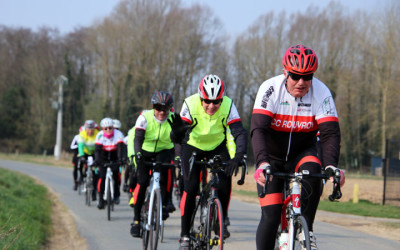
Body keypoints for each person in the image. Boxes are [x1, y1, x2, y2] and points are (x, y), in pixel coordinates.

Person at [251, 44, 345, 250]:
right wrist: (262, 162)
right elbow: (258, 130)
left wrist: (331, 166)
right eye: (295, 76)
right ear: (285, 72)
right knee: (271, 215)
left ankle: (306, 230)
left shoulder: (321, 92)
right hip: (272, 157)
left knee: (314, 171)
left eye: (307, 76)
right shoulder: (270, 89)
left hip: (302, 153)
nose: (301, 82)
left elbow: (330, 133)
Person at [169, 74, 248, 249]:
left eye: (216, 101)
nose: (211, 105)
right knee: (190, 188)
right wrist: (176, 133)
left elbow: (239, 132)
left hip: (216, 146)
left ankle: (220, 220)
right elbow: (177, 137)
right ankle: (185, 235)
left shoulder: (228, 104)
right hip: (193, 146)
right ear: (200, 97)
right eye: (207, 101)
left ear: (222, 99)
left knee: (225, 183)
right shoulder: (190, 103)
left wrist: (239, 156)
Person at [130, 91, 176, 238]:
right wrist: (137, 154)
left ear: (170, 108)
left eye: (166, 108)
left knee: (166, 174)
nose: (162, 112)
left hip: (164, 150)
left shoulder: (174, 119)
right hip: (145, 150)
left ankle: (164, 202)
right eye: (158, 107)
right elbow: (137, 139)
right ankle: (136, 221)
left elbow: (180, 142)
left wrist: (179, 157)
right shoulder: (144, 117)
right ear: (153, 107)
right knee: (142, 183)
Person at [94, 117, 125, 209]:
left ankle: (116, 195)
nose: (108, 130)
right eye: (105, 128)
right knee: (102, 177)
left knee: (116, 174)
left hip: (115, 156)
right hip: (103, 157)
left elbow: (121, 148)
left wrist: (121, 160)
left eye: (110, 128)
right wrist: (97, 161)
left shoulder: (118, 134)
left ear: (113, 127)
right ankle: (100, 199)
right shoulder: (99, 136)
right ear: (102, 129)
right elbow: (97, 151)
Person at [77, 120, 99, 200]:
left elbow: (99, 146)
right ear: (85, 129)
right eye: (88, 130)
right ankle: (82, 177)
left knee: (95, 172)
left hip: (94, 152)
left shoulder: (97, 134)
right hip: (85, 152)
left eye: (92, 130)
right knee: (80, 163)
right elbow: (80, 146)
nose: (90, 131)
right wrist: (82, 155)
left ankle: (94, 193)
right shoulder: (82, 134)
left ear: (94, 129)